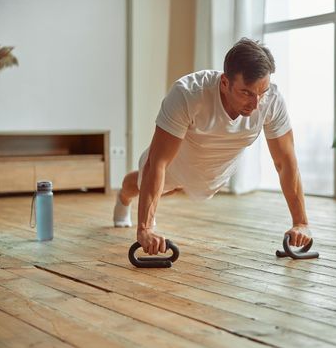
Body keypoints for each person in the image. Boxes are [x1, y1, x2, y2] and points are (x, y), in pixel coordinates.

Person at [113, 38, 312, 255]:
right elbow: (157, 162)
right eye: (246, 92)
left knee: (178, 189)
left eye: (261, 93)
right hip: (177, 162)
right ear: (225, 82)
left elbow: (285, 162)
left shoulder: (272, 101)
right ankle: (123, 197)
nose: (255, 105)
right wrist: (145, 228)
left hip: (215, 173)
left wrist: (301, 222)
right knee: (143, 184)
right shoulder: (188, 94)